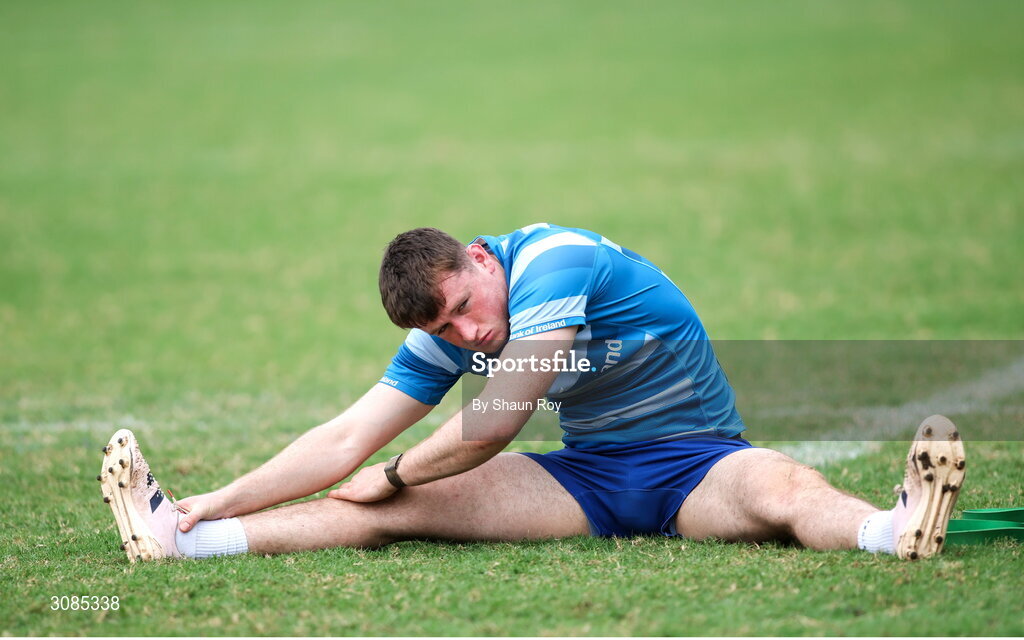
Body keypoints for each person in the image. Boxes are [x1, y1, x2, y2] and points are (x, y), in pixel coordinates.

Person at [97, 223, 966, 563]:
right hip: (585, 479)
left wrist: (397, 472)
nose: (468, 336)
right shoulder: (452, 317)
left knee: (782, 491)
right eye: (444, 331)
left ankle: (893, 528)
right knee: (385, 510)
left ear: (481, 260)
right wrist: (212, 497)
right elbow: (343, 438)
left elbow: (495, 423)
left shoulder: (555, 263)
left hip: (699, 465)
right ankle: (183, 539)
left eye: (468, 309)